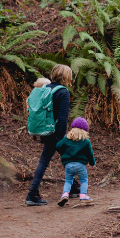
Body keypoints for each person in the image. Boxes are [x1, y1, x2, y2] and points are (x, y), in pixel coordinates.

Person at [25, 64, 73, 206]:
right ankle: (32, 194)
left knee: (66, 158)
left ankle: (74, 187)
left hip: (45, 130)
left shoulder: (44, 88)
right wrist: (61, 138)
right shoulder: (63, 92)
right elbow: (63, 118)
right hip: (56, 133)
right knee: (46, 161)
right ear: (66, 77)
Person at [56, 117, 96, 207]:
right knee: (84, 180)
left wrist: (64, 152)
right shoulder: (85, 141)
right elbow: (90, 154)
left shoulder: (66, 138)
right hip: (80, 165)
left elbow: (58, 146)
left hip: (68, 165)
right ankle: (83, 196)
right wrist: (92, 163)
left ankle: (65, 195)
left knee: (68, 181)